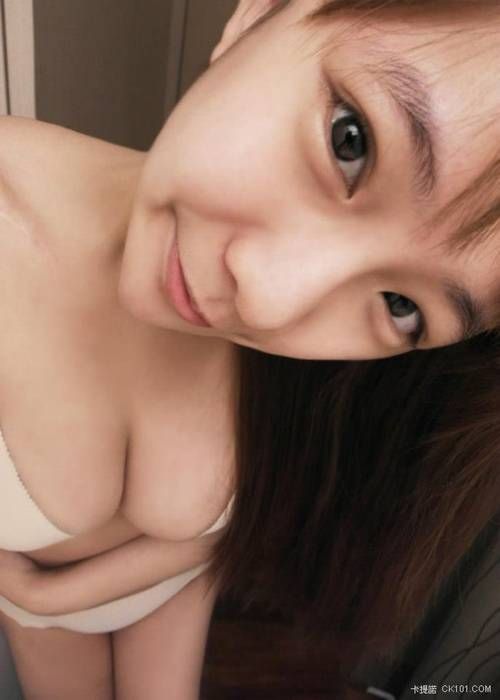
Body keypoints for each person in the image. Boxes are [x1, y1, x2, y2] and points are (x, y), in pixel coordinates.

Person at [0, 0, 498, 697]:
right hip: (45, 629)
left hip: (173, 601)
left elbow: (254, 515)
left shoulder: (350, 372)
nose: (271, 305)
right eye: (350, 141)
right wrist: (40, 602)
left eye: (402, 306)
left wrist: (62, 588)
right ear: (260, 11)